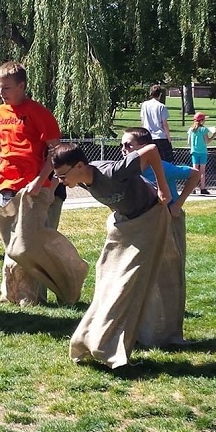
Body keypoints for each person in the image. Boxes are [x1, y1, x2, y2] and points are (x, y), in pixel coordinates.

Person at [51, 140, 171, 369]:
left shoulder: (112, 172)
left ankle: (113, 346)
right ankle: (91, 339)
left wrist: (163, 187)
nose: (61, 182)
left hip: (150, 218)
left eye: (63, 176)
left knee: (128, 283)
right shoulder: (83, 181)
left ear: (79, 166)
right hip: (126, 224)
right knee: (106, 277)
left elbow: (152, 151)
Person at [0, 61, 87, 305]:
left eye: (7, 88)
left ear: (21, 86)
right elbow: (1, 148)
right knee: (12, 245)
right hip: (7, 186)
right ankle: (15, 295)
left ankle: (48, 292)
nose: (2, 92)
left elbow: (56, 151)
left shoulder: (38, 112)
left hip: (34, 188)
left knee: (33, 244)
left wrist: (40, 180)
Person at [122, 127, 200, 347]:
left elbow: (195, 174)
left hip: (169, 220)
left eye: (128, 145)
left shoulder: (163, 168)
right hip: (142, 225)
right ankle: (141, 330)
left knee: (168, 274)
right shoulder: (127, 170)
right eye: (122, 145)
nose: (123, 150)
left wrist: (178, 204)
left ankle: (168, 333)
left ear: (144, 148)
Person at [139, 84, 172, 159]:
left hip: (148, 136)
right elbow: (164, 124)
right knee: (165, 160)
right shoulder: (161, 106)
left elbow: (143, 121)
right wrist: (168, 137)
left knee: (150, 160)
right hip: (160, 137)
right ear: (160, 94)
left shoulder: (144, 105)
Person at [187, 112, 216, 193]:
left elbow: (188, 142)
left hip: (194, 152)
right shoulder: (204, 129)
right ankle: (202, 188)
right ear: (202, 121)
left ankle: (193, 188)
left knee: (194, 170)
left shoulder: (191, 130)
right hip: (203, 152)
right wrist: (214, 135)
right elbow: (207, 141)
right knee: (202, 171)